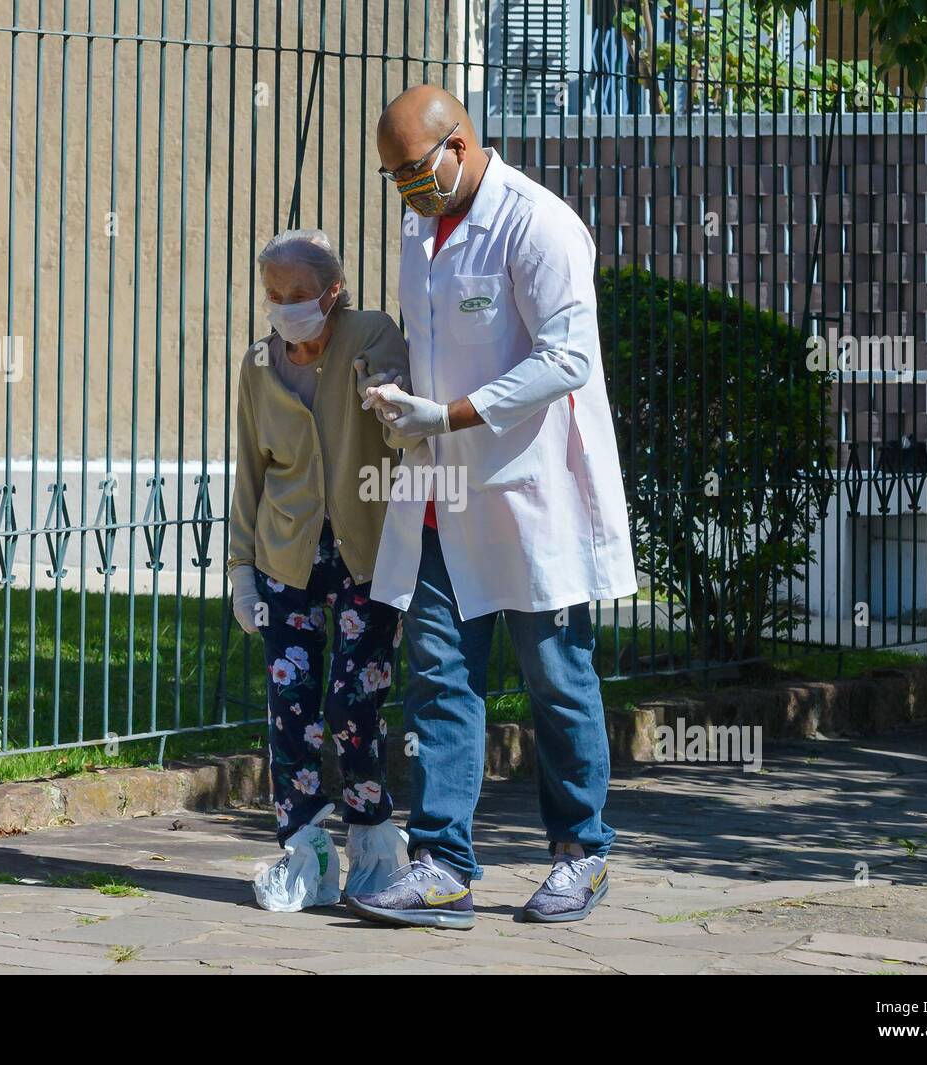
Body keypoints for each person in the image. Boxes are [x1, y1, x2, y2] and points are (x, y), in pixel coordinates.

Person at [346, 86, 638, 929]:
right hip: (441, 490)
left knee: (557, 675)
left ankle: (580, 851)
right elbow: (430, 332)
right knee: (438, 673)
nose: (406, 188)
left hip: (530, 490)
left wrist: (451, 413)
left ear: (462, 145)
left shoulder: (538, 223)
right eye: (392, 176)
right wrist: (396, 389)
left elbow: (567, 359)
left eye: (415, 169)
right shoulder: (418, 226)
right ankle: (441, 864)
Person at [228, 229, 411, 909]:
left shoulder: (370, 335)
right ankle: (303, 848)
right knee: (290, 709)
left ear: (332, 290)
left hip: (366, 551)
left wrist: (379, 392)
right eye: (273, 295)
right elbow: (250, 468)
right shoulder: (256, 363)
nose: (282, 308)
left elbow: (404, 433)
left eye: (297, 295)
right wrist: (241, 570)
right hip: (286, 555)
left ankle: (371, 841)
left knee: (351, 705)